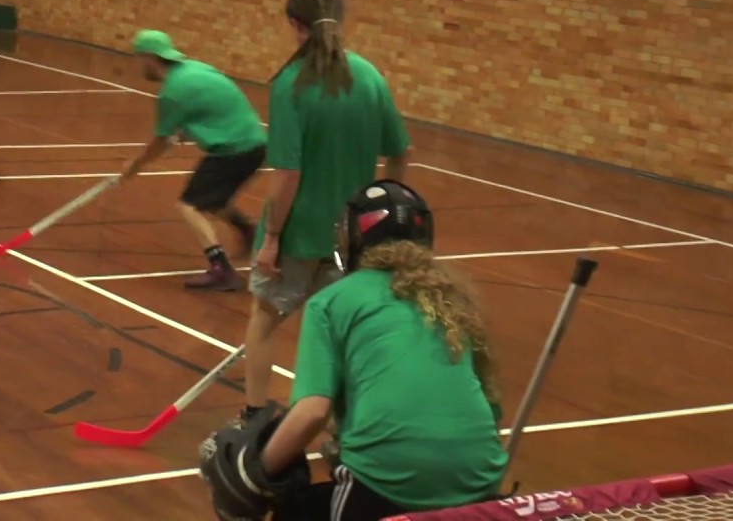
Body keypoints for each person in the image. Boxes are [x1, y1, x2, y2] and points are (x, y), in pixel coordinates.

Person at [198, 180, 509, 520]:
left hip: (388, 482)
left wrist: (255, 471)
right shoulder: (454, 301)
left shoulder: (332, 301)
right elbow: (490, 412)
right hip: (480, 483)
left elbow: (312, 413)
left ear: (354, 239)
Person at [240, 0, 412, 426]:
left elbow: (289, 174)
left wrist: (272, 237)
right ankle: (343, 429)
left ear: (294, 24)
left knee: (263, 319)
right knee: (339, 333)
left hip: (299, 229)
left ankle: (255, 417)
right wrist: (385, 211)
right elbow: (400, 150)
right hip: (353, 234)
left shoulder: (291, 85)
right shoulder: (369, 76)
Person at [120, 30, 266, 291]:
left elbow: (160, 142)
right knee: (212, 199)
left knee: (190, 206)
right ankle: (246, 229)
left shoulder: (172, 92)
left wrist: (134, 165)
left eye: (138, 58)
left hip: (233, 149)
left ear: (149, 57)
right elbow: (209, 108)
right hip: (257, 144)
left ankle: (221, 270)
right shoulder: (195, 69)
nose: (137, 65)